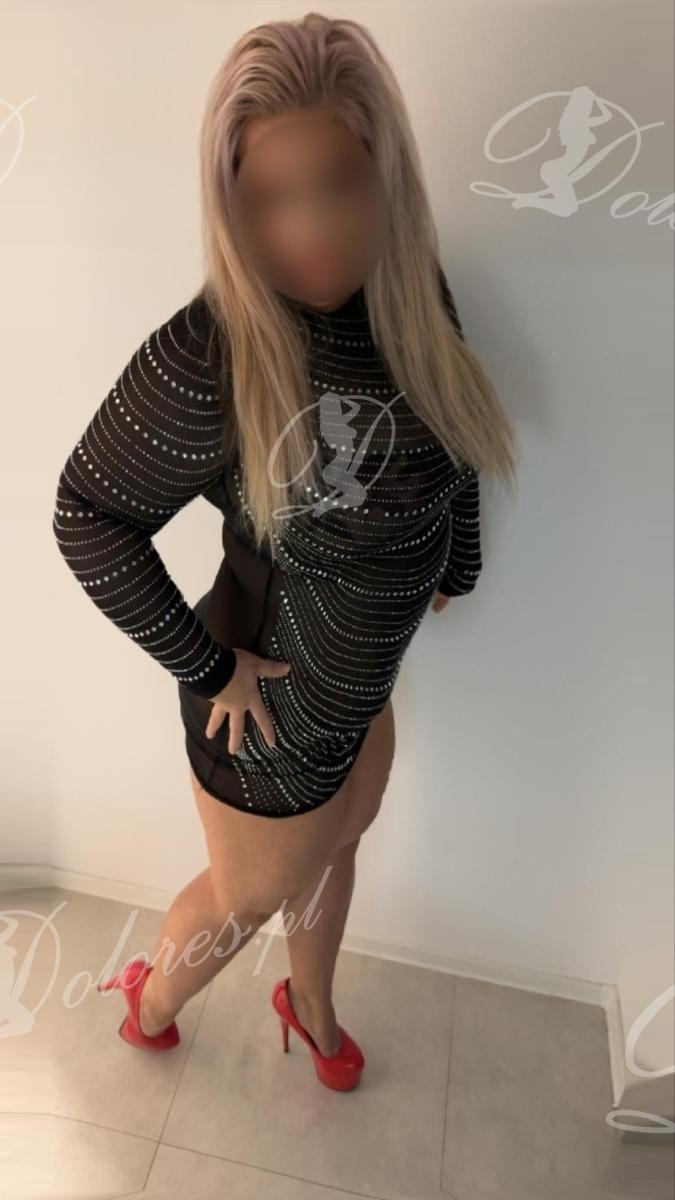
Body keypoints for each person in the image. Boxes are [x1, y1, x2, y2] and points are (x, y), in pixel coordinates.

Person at [53, 12, 516, 1088]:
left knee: (339, 844)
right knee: (248, 897)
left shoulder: (413, 290)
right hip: (264, 719)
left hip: (362, 691)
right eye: (269, 196)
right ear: (231, 201)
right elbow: (86, 515)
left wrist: (457, 562)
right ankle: (150, 1006)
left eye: (338, 182)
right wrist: (205, 666)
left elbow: (452, 437)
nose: (310, 228)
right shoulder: (207, 354)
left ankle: (309, 1008)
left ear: (384, 171)